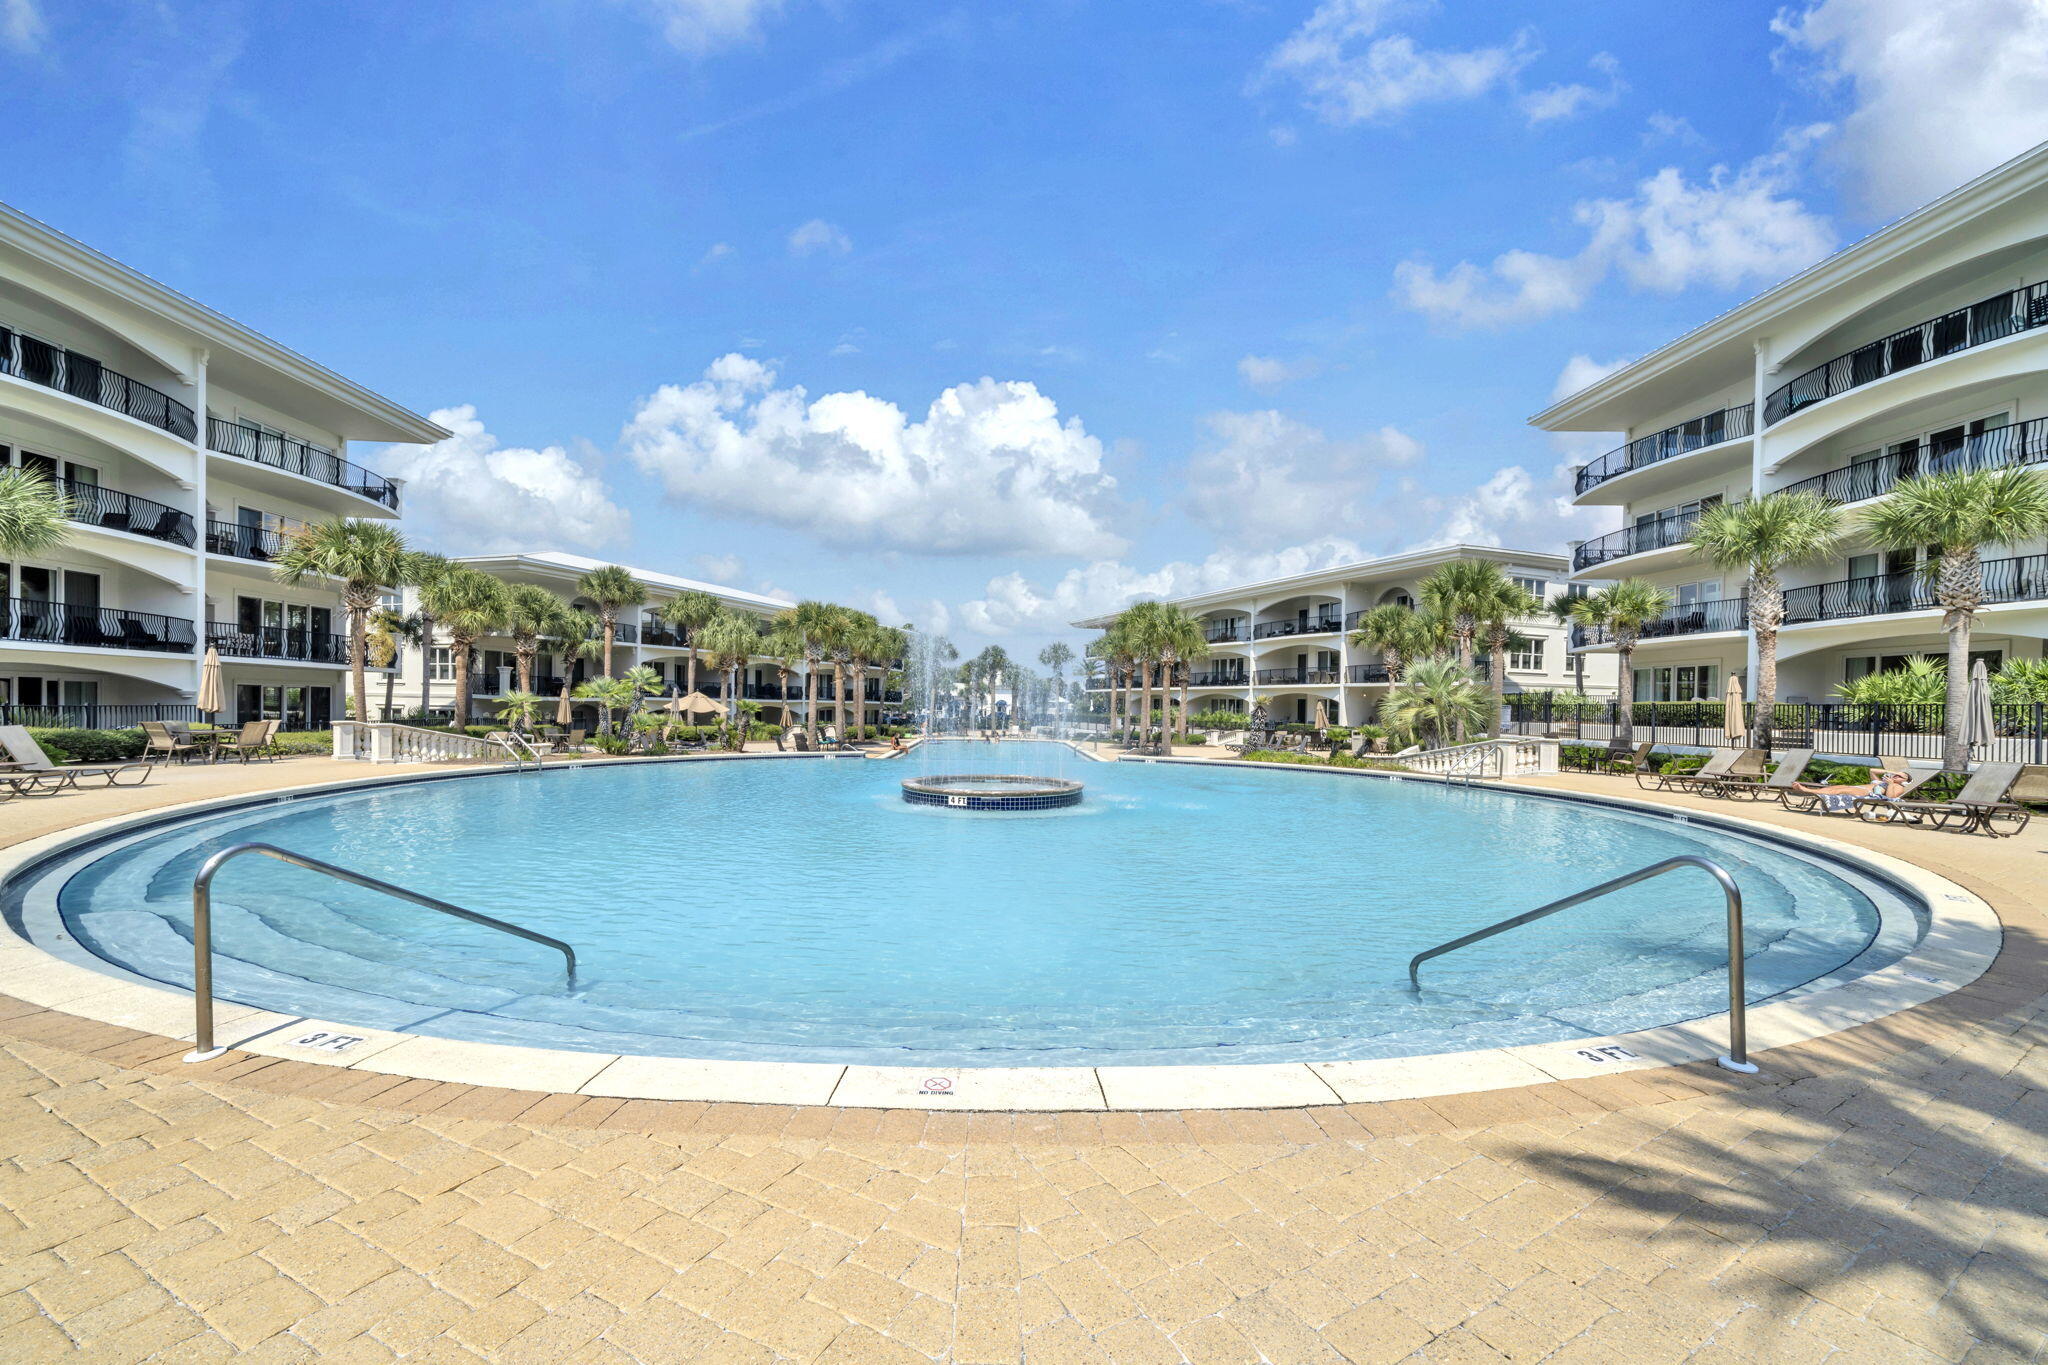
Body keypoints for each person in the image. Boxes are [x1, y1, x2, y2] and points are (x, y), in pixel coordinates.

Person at [1791, 768, 1910, 814]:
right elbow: (1872, 770)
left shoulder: (1898, 786)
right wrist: (1894, 772)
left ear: (1905, 781)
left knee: (1840, 790)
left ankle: (1806, 790)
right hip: (1859, 788)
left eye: (1901, 776)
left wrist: (1891, 783)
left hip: (1866, 793)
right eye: (1897, 774)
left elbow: (1891, 797)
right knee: (1836, 787)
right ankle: (1810, 790)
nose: (1897, 776)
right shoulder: (1882, 782)